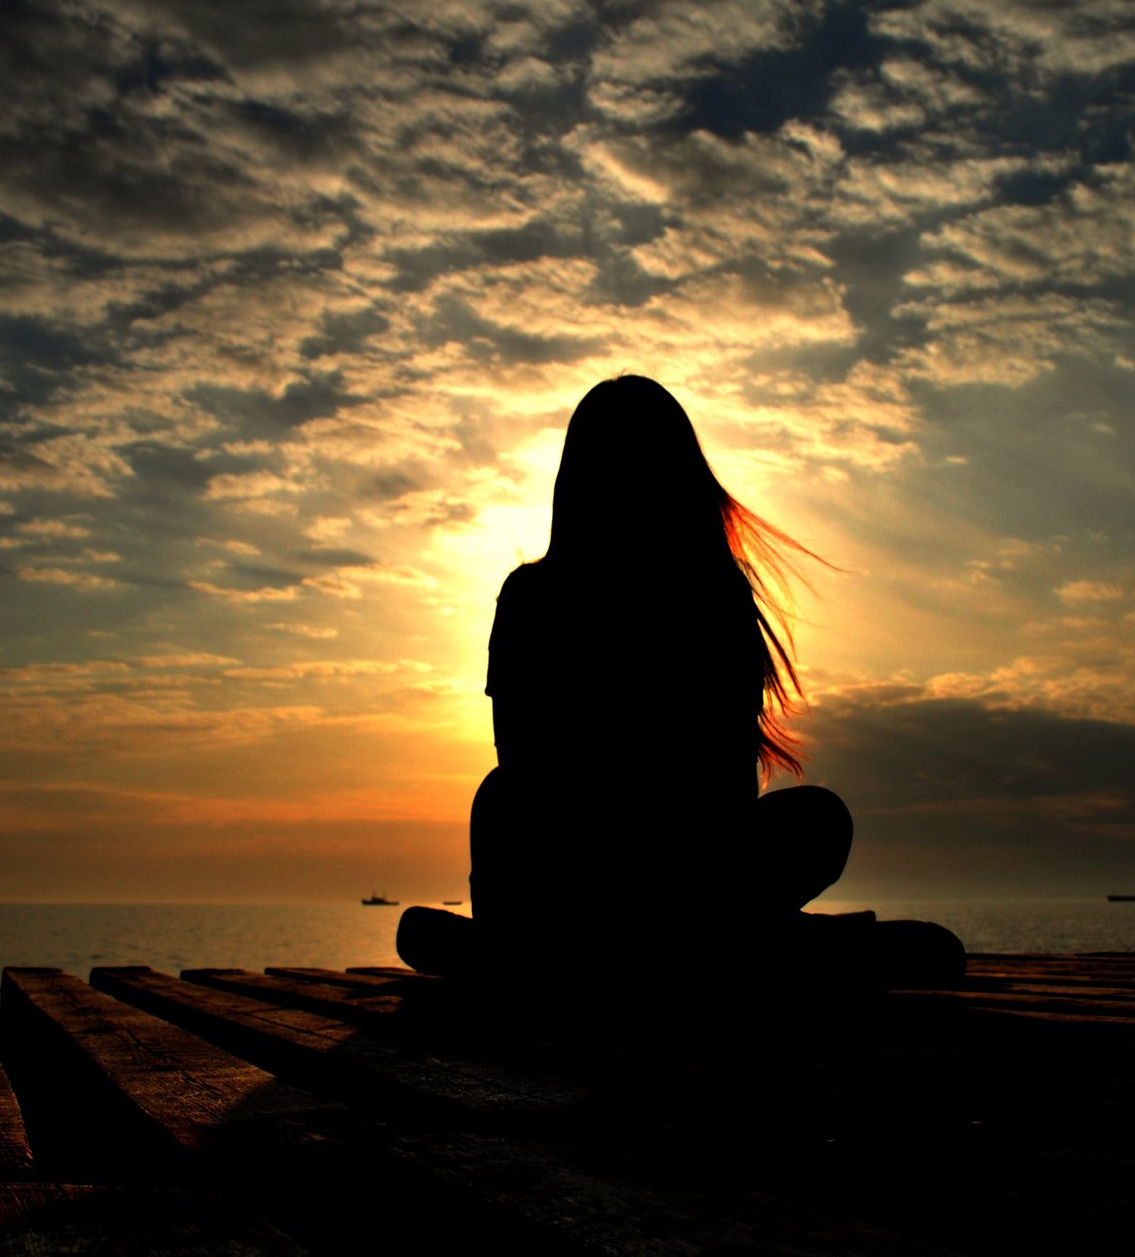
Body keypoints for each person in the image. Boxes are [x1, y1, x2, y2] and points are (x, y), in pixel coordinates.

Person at [397, 375, 962, 987]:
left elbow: (531, 760)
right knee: (817, 826)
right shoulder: (693, 596)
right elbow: (713, 787)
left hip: (598, 899)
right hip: (657, 892)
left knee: (816, 820)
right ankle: (736, 951)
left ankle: (578, 957)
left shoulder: (588, 597)